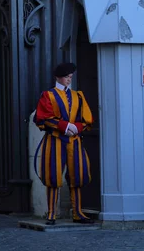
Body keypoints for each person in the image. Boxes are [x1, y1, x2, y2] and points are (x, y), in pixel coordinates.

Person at [33, 62, 94, 225]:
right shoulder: (48, 95)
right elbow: (42, 118)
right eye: (66, 77)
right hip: (54, 140)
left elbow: (86, 119)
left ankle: (78, 213)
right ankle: (52, 213)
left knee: (78, 176)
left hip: (74, 141)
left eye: (70, 77)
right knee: (52, 176)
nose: (69, 80)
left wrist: (76, 127)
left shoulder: (78, 96)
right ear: (58, 78)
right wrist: (64, 126)